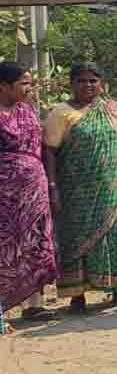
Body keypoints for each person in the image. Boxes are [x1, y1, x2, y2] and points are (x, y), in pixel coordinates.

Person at [43, 63, 117, 311]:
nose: (88, 85)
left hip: (113, 188)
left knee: (116, 236)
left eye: (93, 81)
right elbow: (50, 151)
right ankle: (78, 295)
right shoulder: (60, 112)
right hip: (76, 191)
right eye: (82, 81)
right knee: (76, 239)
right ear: (71, 84)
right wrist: (52, 187)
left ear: (101, 83)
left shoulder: (114, 110)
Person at [0, 62, 59, 326]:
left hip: (34, 191)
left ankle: (33, 305)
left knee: (35, 245)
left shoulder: (28, 111)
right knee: (6, 248)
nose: (29, 87)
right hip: (5, 194)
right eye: (23, 83)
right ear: (4, 86)